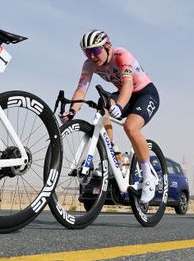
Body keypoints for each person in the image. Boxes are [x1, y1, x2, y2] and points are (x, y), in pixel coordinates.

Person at [61, 30, 161, 204]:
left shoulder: (121, 55)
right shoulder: (89, 65)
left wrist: (120, 106)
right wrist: (72, 112)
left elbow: (128, 84)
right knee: (102, 106)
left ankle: (148, 177)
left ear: (107, 46)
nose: (92, 56)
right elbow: (81, 90)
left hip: (145, 93)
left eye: (95, 51)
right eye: (87, 52)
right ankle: (112, 153)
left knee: (130, 127)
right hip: (124, 92)